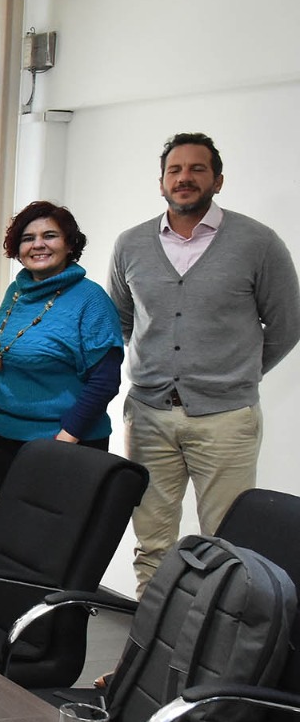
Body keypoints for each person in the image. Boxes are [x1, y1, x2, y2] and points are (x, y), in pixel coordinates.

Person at [110, 133, 299, 593]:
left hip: (226, 420)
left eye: (197, 169)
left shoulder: (257, 242)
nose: (185, 178)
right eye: (175, 170)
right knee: (152, 542)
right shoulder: (131, 244)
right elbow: (121, 320)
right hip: (148, 415)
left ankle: (213, 636)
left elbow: (287, 324)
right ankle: (150, 635)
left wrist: (236, 373)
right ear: (161, 182)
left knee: (228, 545)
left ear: (218, 180)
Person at [0, 201, 124, 491]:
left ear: (69, 244)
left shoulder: (91, 299)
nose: (38, 245)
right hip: (3, 435)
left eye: (50, 236)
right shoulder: (17, 291)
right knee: (13, 520)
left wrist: (67, 438)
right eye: (28, 238)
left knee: (57, 522)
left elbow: (105, 381)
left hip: (64, 441)